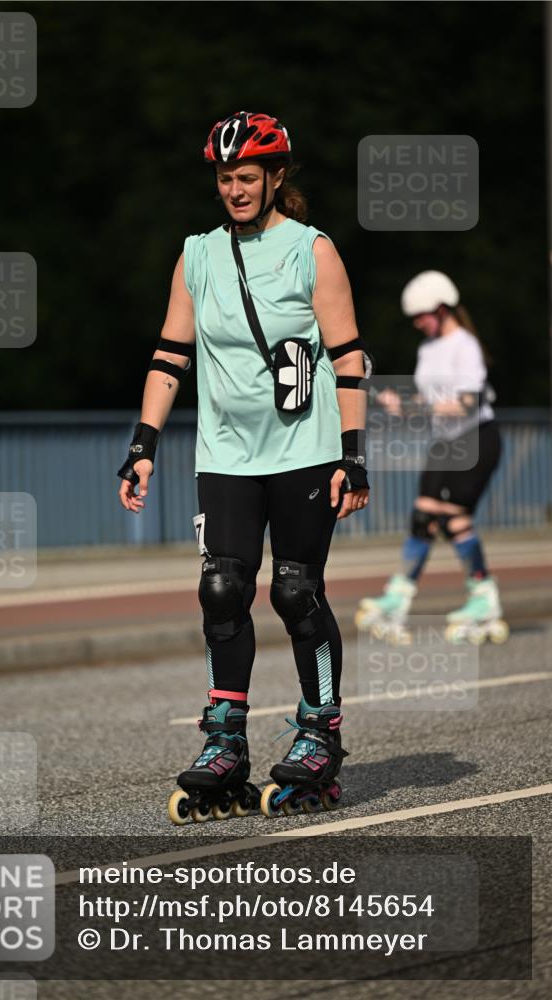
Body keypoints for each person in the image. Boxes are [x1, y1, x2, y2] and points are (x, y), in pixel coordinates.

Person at [118, 111, 373, 823]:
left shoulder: (310, 251)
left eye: (247, 177)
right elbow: (170, 357)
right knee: (222, 587)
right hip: (226, 451)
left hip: (305, 449)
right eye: (225, 178)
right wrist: (143, 446)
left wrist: (353, 458)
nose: (234, 189)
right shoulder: (197, 255)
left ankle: (319, 733)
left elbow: (347, 359)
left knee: (295, 591)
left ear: (275, 177)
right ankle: (224, 741)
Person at [356, 270, 507, 644]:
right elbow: (428, 401)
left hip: (476, 440)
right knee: (437, 519)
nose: (417, 323)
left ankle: (465, 596)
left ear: (441, 308)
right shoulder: (428, 349)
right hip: (445, 443)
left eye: (422, 315)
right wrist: (400, 402)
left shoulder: (465, 345)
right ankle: (471, 596)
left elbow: (469, 402)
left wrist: (411, 405)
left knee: (449, 517)